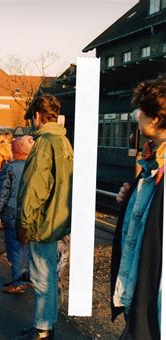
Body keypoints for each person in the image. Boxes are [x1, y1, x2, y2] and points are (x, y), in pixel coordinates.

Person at [14, 95, 73, 340]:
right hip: (58, 219)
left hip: (42, 222)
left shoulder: (44, 143)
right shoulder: (64, 141)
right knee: (48, 276)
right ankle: (46, 324)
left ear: (38, 116)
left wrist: (24, 223)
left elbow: (33, 189)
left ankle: (42, 329)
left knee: (41, 279)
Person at [111, 78, 165, 339]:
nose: (136, 116)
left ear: (154, 119)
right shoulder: (152, 163)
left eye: (141, 111)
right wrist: (132, 196)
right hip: (139, 293)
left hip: (154, 303)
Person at [0, 135, 34, 294]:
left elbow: (2, 191)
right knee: (25, 245)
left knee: (14, 247)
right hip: (29, 211)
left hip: (11, 210)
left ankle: (18, 281)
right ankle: (23, 277)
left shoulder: (10, 167)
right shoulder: (34, 166)